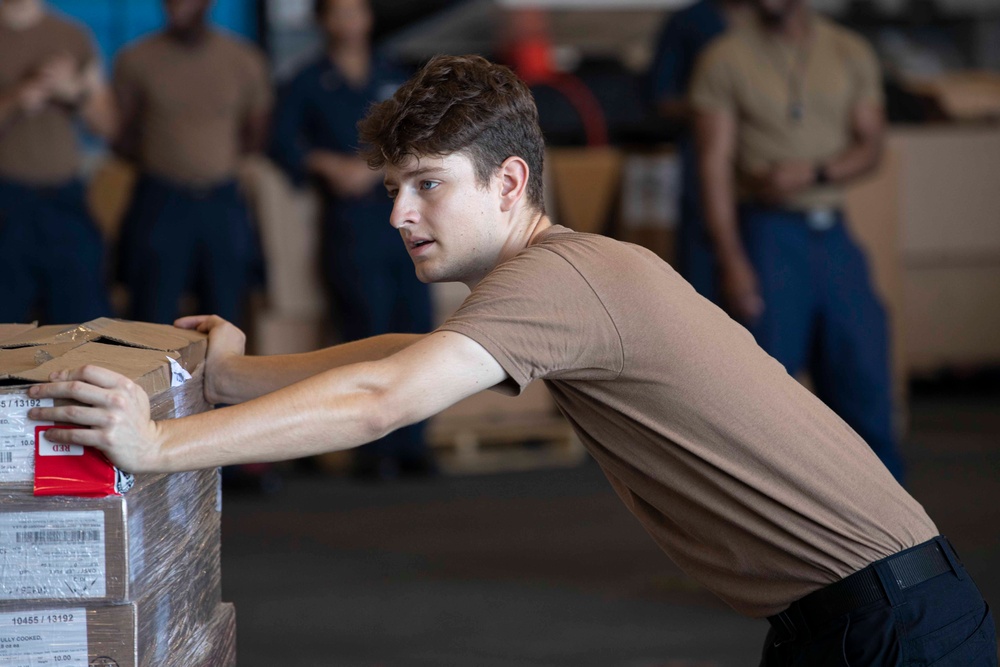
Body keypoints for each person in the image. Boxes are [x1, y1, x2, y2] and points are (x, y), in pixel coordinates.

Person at [29, 55, 994, 666]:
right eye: (394, 188)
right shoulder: (561, 282)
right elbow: (410, 354)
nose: (401, 213)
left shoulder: (561, 277)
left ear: (511, 181)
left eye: (427, 186)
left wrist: (158, 443)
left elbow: (383, 397)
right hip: (853, 614)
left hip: (893, 626)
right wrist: (239, 374)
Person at [690, 0, 907, 483]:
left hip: (834, 236)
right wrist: (732, 260)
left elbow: (872, 146)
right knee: (767, 398)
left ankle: (894, 540)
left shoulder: (849, 50)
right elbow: (713, 166)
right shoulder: (724, 57)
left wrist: (813, 172)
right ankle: (773, 534)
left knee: (866, 383)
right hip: (767, 235)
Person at [270, 0, 435, 479]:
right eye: (337, 12)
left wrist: (380, 169)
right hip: (350, 221)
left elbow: (427, 134)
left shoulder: (396, 74)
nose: (348, 22)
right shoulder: (305, 79)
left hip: (408, 216)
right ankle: (374, 446)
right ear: (322, 21)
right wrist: (325, 164)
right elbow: (282, 142)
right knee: (368, 325)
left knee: (416, 326)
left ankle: (414, 444)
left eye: (356, 11)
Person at [112, 0, 272, 326]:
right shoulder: (135, 58)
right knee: (151, 311)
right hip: (160, 197)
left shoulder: (243, 59)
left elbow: (256, 132)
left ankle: (221, 377)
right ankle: (143, 377)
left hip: (222, 200)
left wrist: (211, 160)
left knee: (226, 309)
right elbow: (120, 137)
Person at [0, 0, 115, 323]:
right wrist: (16, 100)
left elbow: (107, 126)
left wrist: (73, 91)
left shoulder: (73, 35)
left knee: (81, 322)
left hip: (65, 200)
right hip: (6, 202)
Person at [647, 0, 748, 302]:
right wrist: (715, 108)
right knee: (702, 277)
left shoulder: (770, 20)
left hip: (759, 164)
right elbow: (660, 97)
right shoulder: (689, 22)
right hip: (702, 157)